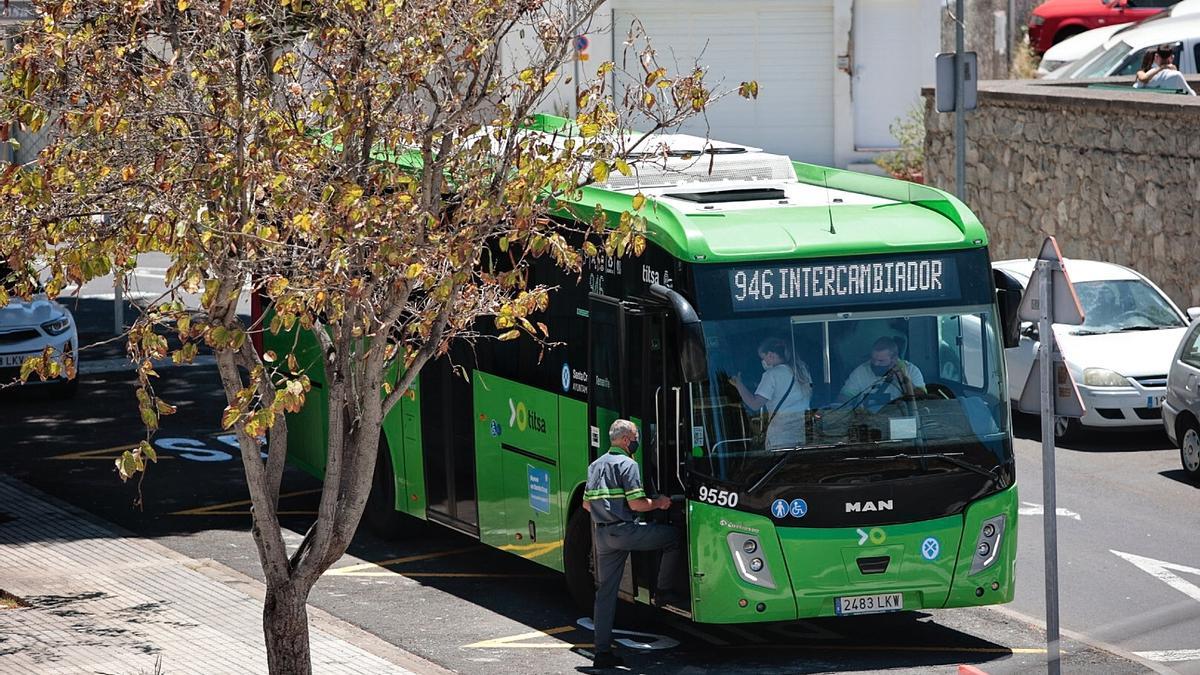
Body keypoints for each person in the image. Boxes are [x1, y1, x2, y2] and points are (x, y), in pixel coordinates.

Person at [582, 419, 684, 669]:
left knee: (605, 594)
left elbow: (586, 504)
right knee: (672, 538)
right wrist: (659, 503)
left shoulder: (595, 465)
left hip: (602, 535)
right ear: (627, 439)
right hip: (624, 531)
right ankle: (662, 592)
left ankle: (602, 653)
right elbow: (637, 504)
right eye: (637, 436)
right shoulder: (628, 464)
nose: (638, 441)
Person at [729, 337, 813, 450]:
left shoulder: (772, 374)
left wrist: (738, 384)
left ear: (770, 355)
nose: (764, 362)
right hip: (802, 432)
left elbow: (754, 404)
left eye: (763, 358)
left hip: (781, 436)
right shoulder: (802, 369)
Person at [838, 336, 926, 411]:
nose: (876, 364)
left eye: (881, 361)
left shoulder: (911, 371)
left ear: (894, 359)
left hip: (901, 421)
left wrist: (902, 380)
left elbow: (923, 400)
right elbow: (844, 397)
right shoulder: (861, 371)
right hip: (867, 422)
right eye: (873, 359)